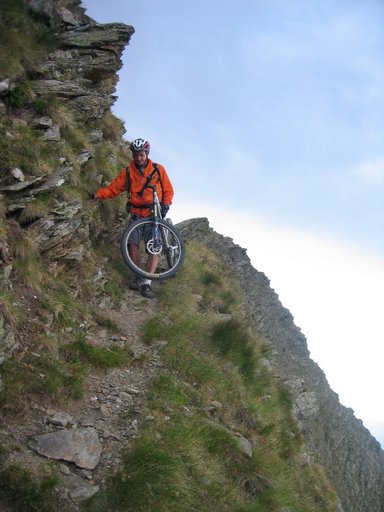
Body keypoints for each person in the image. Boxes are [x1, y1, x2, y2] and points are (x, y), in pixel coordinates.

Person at [92, 138, 174, 298]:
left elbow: (168, 190)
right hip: (136, 213)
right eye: (136, 155)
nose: (139, 158)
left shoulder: (158, 170)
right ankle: (138, 275)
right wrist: (97, 195)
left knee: (153, 248)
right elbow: (113, 189)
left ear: (147, 154)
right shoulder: (128, 172)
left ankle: (147, 283)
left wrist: (165, 204)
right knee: (132, 246)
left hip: (153, 214)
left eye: (142, 155)